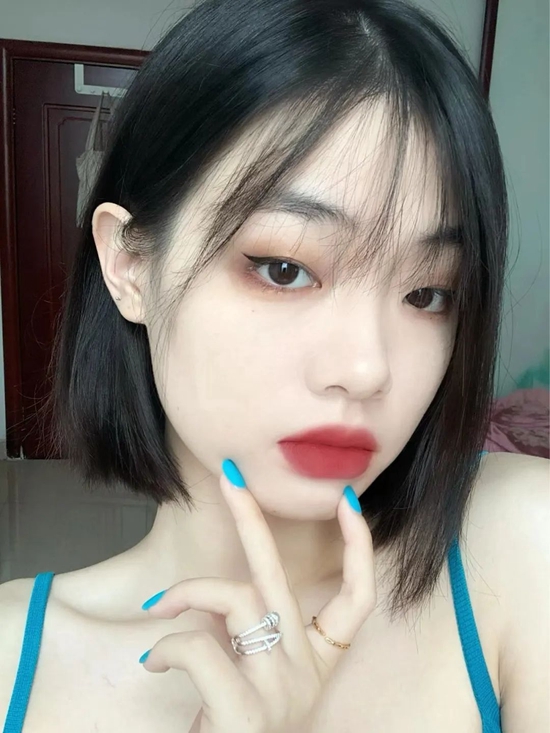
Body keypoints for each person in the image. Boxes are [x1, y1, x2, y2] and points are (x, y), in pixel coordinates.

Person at [1, 0, 548, 731]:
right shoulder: (11, 657)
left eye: (427, 293)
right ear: (130, 265)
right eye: (284, 268)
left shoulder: (521, 546)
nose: (366, 368)